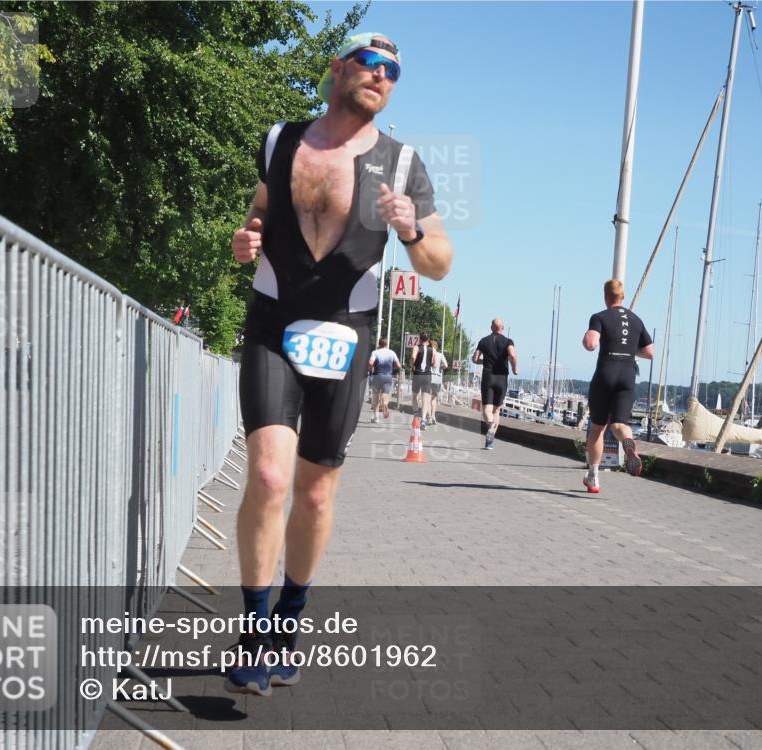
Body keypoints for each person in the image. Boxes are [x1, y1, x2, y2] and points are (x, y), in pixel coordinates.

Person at [229, 31, 452, 695]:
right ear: (339, 68)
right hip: (274, 322)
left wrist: (411, 230)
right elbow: (258, 214)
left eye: (394, 71)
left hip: (345, 336)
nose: (382, 76)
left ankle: (288, 622)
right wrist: (246, 238)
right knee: (269, 475)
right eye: (371, 63)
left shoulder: (403, 163)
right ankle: (253, 633)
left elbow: (439, 262)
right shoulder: (281, 141)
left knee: (316, 491)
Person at [581, 279, 653, 493]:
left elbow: (591, 343)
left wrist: (587, 339)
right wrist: (629, 349)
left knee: (597, 428)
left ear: (606, 296)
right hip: (627, 375)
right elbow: (650, 352)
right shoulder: (636, 320)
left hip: (606, 372)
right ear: (623, 296)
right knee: (619, 425)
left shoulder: (599, 317)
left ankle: (593, 478)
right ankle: (628, 442)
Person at [472, 319, 518, 450]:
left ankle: (491, 426)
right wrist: (514, 368)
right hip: (502, 378)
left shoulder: (483, 341)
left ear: (491, 327)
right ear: (502, 327)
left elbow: (475, 359)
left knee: (487, 409)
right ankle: (490, 441)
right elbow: (512, 355)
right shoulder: (508, 341)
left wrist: (485, 361)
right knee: (496, 410)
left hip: (488, 376)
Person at [368, 337, 401, 423]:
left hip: (377, 376)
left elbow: (371, 363)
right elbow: (399, 365)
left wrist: (370, 368)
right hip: (388, 376)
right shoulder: (392, 353)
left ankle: (376, 417)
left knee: (375, 396)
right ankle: (385, 404)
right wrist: (392, 366)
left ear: (379, 344)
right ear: (386, 344)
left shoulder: (375, 352)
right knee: (385, 395)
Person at [410, 332, 436, 429]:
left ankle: (416, 413)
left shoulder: (416, 347)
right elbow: (435, 364)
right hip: (427, 375)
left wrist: (411, 365)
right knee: (425, 398)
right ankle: (423, 420)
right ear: (428, 339)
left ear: (420, 339)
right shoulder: (433, 349)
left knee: (414, 395)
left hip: (417, 374)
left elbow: (413, 357)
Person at [428, 339, 448, 425]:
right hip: (438, 380)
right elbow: (446, 365)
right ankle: (433, 416)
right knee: (433, 399)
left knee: (427, 399)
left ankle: (428, 417)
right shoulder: (440, 355)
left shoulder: (428, 354)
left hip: (429, 378)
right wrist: (440, 368)